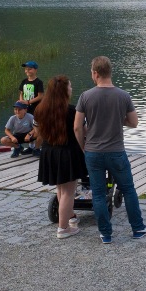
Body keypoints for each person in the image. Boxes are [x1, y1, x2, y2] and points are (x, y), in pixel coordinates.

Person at [74, 55, 146, 243]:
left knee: (98, 193)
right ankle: (138, 229)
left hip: (93, 152)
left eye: (92, 73)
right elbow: (134, 123)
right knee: (129, 190)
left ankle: (106, 234)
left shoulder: (85, 96)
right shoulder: (123, 95)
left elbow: (77, 127)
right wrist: (118, 119)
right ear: (110, 72)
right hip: (116, 151)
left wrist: (84, 147)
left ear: (95, 73)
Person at [34, 75, 88, 239]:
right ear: (64, 91)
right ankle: (63, 228)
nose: (71, 89)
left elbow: (37, 133)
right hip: (68, 153)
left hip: (49, 152)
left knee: (60, 188)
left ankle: (70, 217)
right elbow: (83, 130)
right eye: (70, 87)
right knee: (68, 192)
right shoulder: (72, 111)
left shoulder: (40, 110)